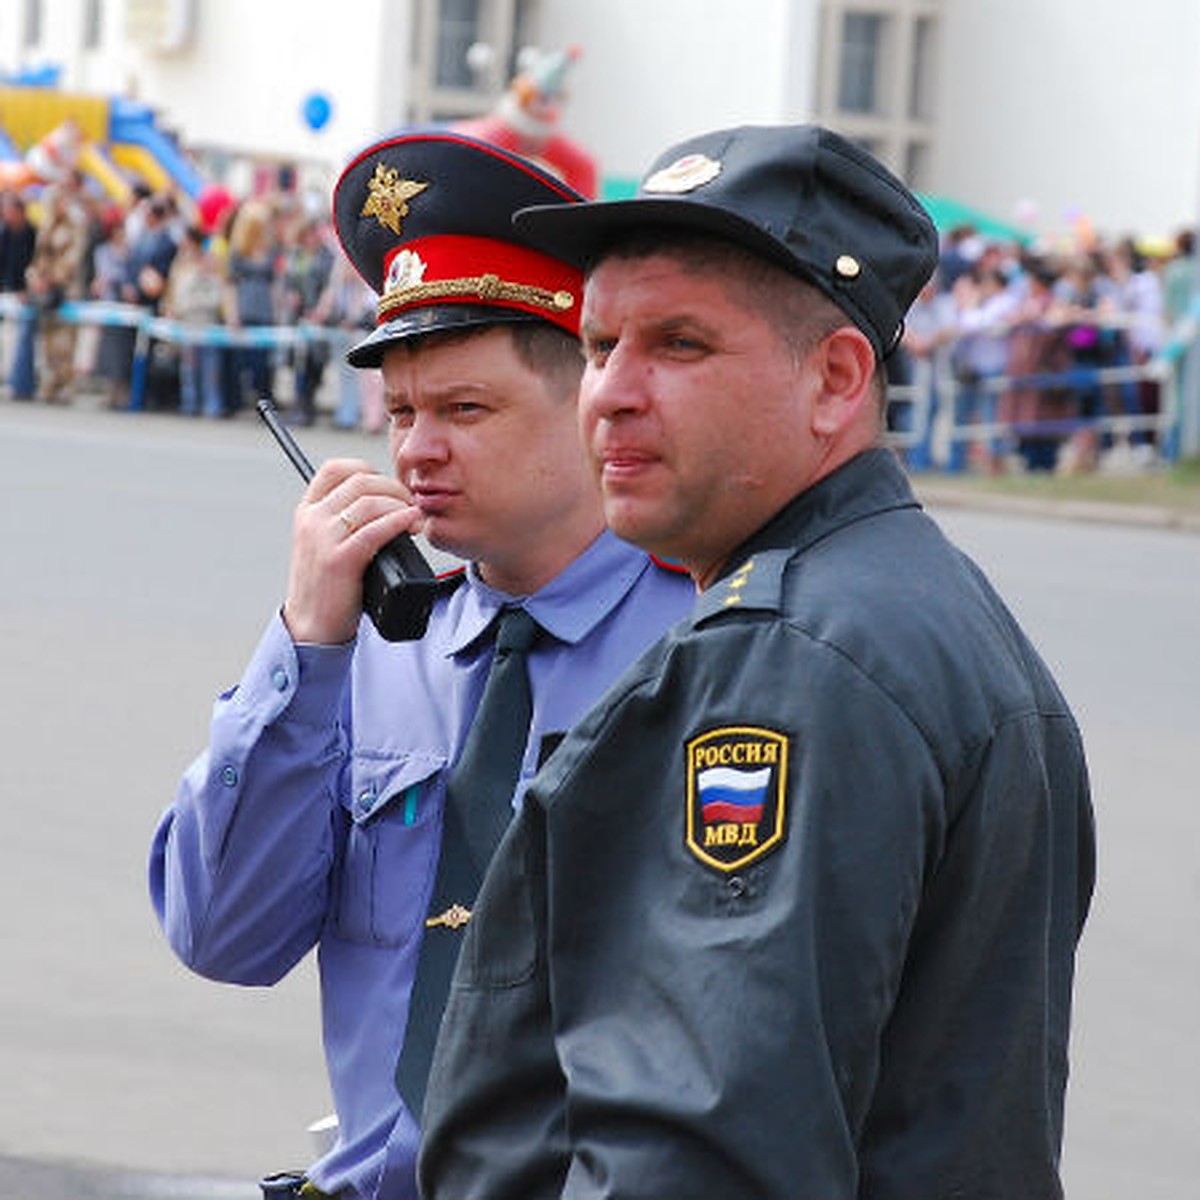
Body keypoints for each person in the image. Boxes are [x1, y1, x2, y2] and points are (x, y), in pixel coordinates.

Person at [419, 123, 1097, 1200]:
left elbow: (698, 1156)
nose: (612, 393)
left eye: (679, 345)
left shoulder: (785, 662)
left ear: (836, 379)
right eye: (600, 346)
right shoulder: (913, 606)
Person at [147, 129, 693, 1200]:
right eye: (399, 411)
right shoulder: (364, 638)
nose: (415, 451)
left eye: (464, 410)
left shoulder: (707, 637)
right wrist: (303, 648)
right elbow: (224, 936)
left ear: (590, 403)